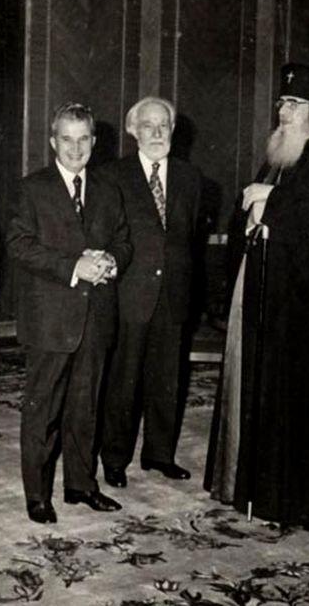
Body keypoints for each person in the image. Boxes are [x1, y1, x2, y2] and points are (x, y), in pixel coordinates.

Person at [204, 63, 309, 526]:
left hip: (306, 307)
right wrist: (254, 212)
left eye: (294, 103)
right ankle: (250, 484)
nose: (283, 111)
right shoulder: (284, 152)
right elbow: (253, 208)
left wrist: (270, 203)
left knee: (297, 398)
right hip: (268, 291)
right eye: (282, 101)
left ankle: (287, 498)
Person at [6, 101, 131, 523]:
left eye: (83, 140)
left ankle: (81, 485)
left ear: (94, 142)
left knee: (86, 406)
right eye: (66, 139)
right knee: (43, 410)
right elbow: (19, 245)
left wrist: (112, 260)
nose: (75, 149)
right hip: (50, 317)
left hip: (96, 315)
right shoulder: (32, 189)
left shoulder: (108, 189)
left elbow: (124, 241)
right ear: (52, 141)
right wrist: (74, 266)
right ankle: (38, 495)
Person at [99, 97, 201, 488]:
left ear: (173, 130)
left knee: (167, 380)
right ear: (133, 131)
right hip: (129, 293)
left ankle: (160, 454)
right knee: (123, 380)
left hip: (173, 294)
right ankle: (114, 458)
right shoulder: (112, 175)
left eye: (163, 126)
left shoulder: (191, 179)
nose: (157, 133)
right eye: (148, 126)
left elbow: (188, 237)